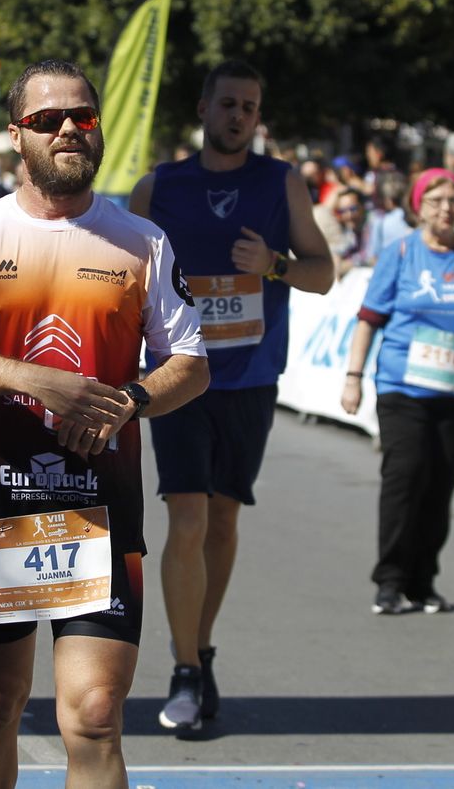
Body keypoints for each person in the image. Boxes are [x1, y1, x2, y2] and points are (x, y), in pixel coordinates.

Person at [0, 60, 209, 786]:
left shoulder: (142, 241)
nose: (69, 130)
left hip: (98, 512)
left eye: (82, 116)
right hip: (0, 507)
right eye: (48, 120)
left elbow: (191, 363)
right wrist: (29, 376)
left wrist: (130, 400)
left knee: (96, 712)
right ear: (18, 136)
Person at [128, 58, 334, 733]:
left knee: (222, 520)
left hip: (249, 379)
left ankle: (200, 645)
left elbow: (323, 274)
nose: (239, 115)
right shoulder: (158, 188)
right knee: (184, 515)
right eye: (228, 103)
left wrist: (272, 264)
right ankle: (184, 667)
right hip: (179, 376)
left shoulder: (281, 182)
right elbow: (120, 282)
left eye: (249, 105)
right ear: (203, 108)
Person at [339, 168, 454, 615]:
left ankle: (422, 581)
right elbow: (369, 318)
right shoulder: (400, 253)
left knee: (440, 483)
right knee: (405, 476)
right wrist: (354, 376)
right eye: (435, 201)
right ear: (419, 207)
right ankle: (389, 579)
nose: (446, 209)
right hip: (402, 386)